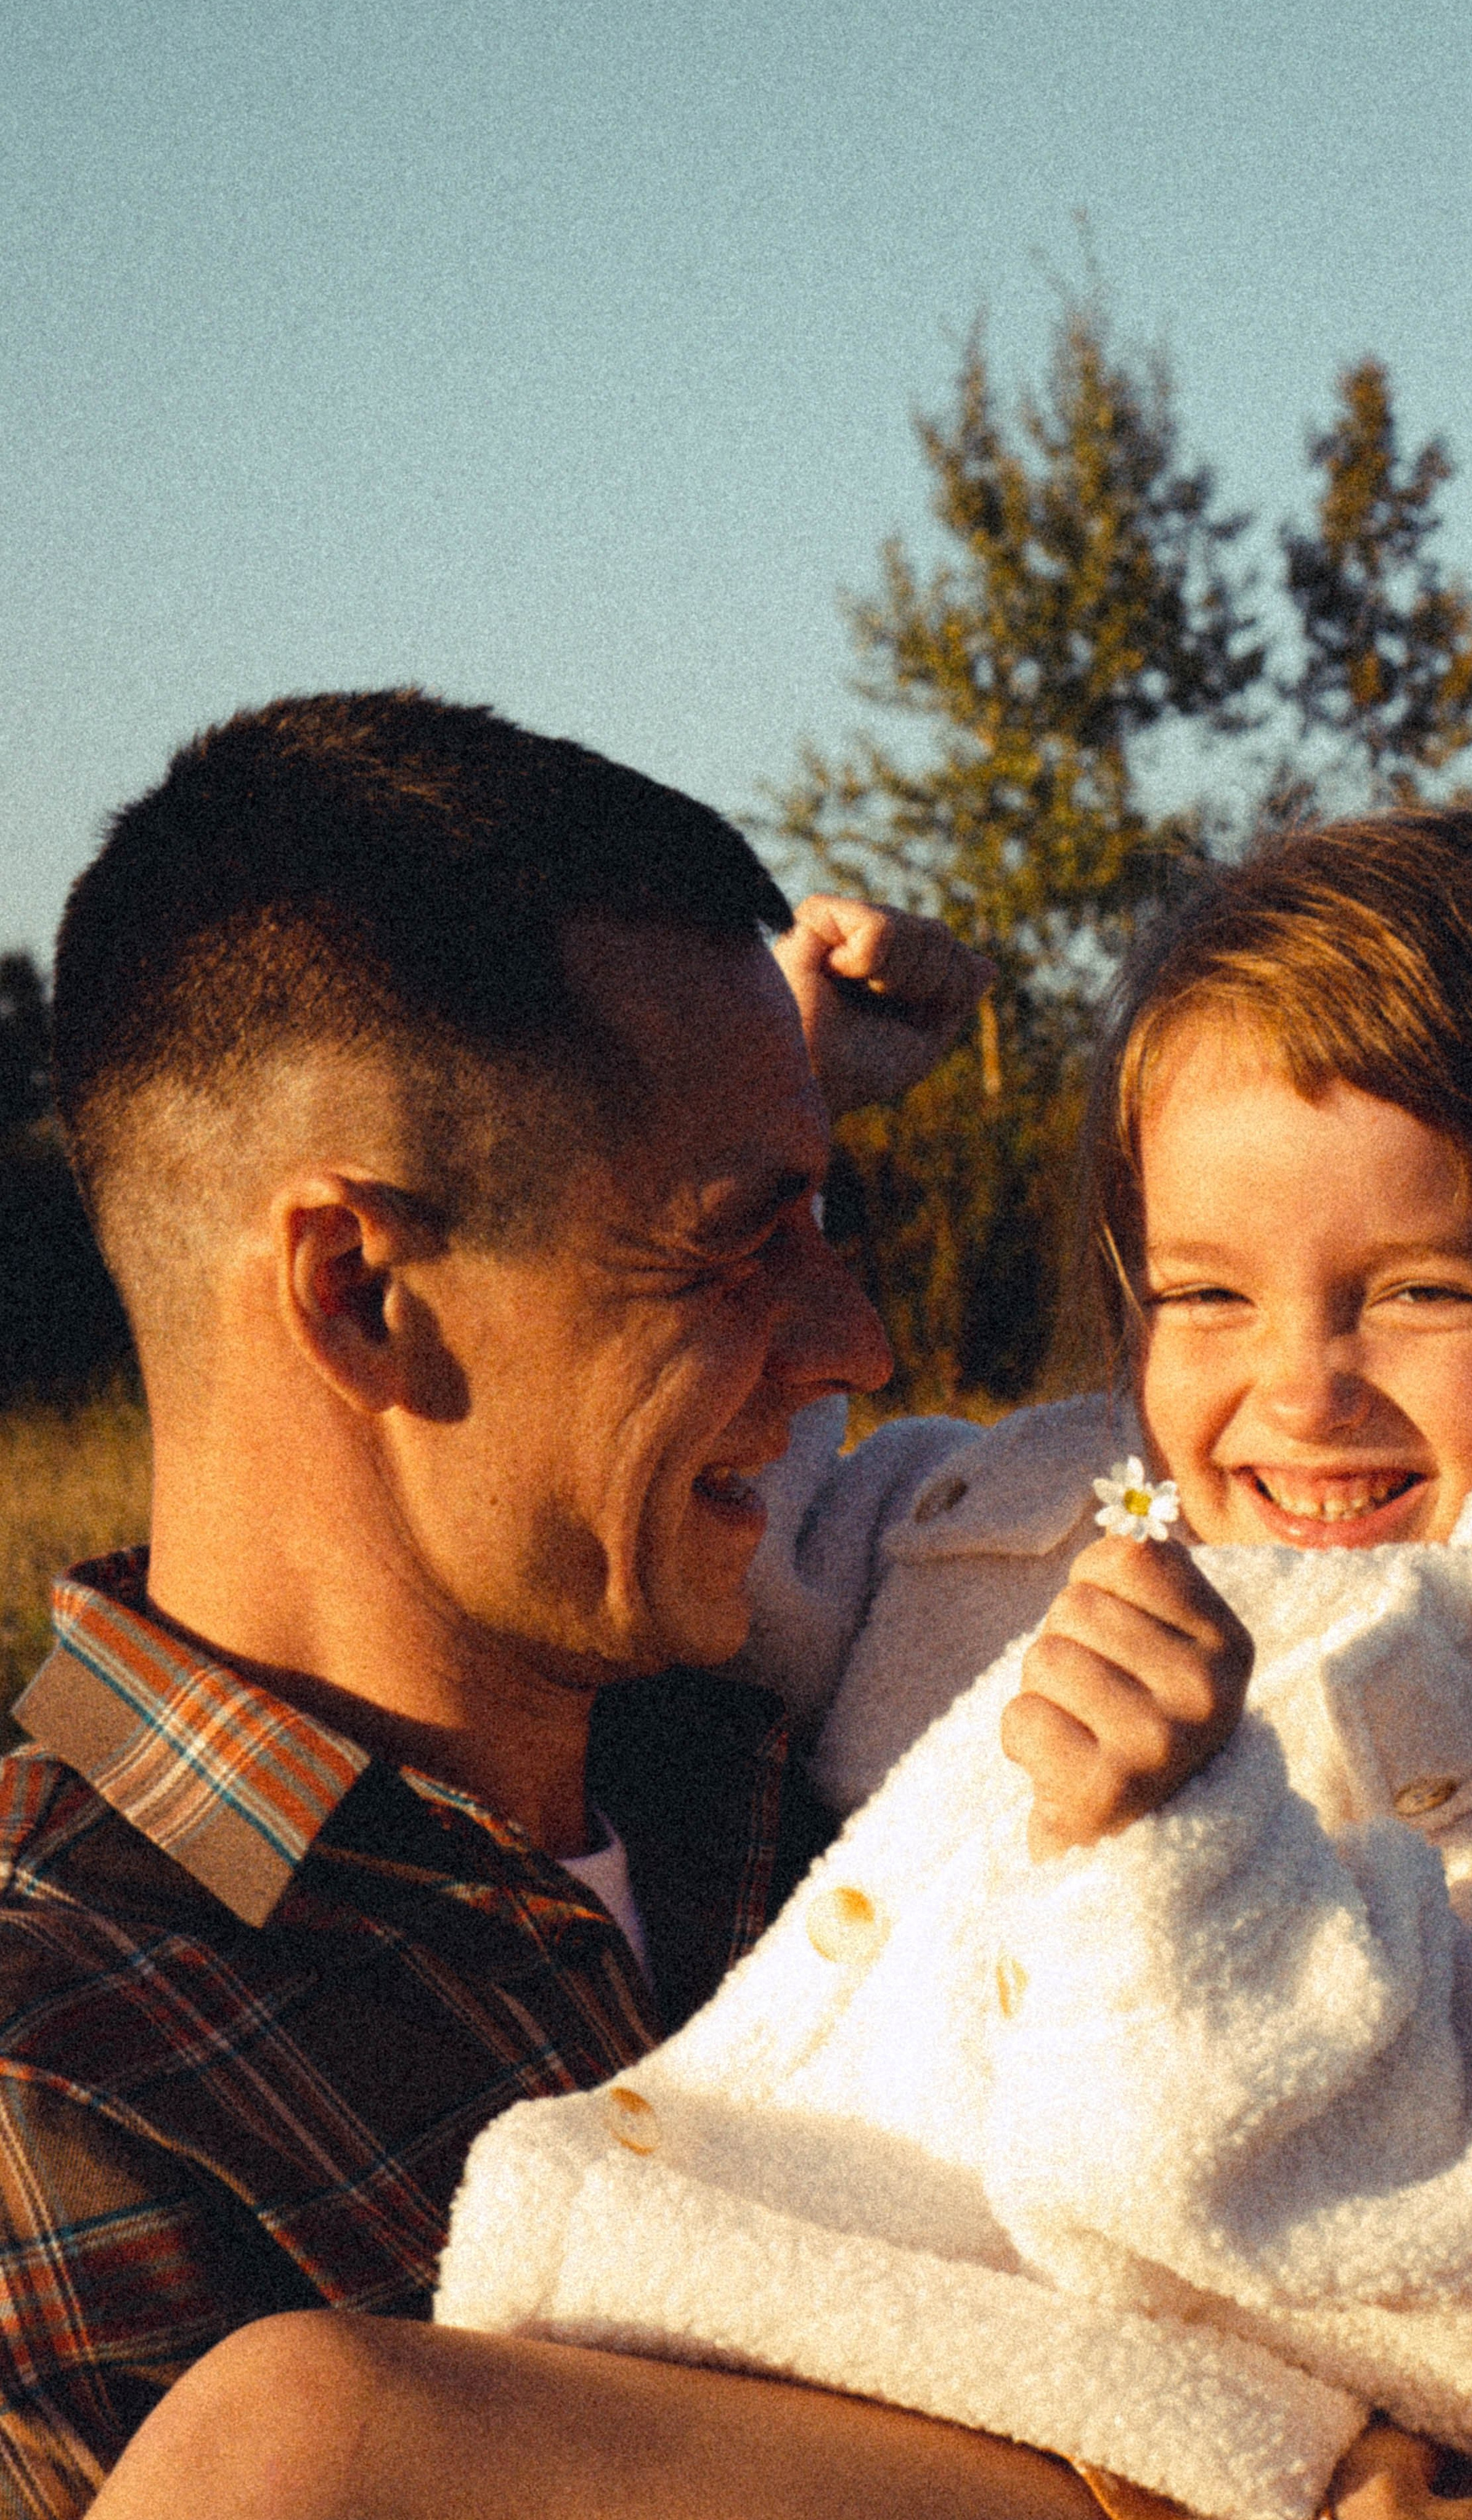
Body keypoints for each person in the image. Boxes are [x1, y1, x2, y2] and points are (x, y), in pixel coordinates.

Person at [77, 807, 1472, 2519]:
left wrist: (1182, 1854)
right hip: (837, 2348)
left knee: (307, 2444)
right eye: (1203, 1294)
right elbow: (753, 1506)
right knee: (299, 2442)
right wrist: (755, 1098)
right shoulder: (1032, 1529)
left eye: (1417, 1293)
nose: (1300, 1390)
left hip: (1252, 2425)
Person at [0, 686, 1108, 2520]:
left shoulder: (821, 1739)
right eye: (739, 1238)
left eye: (821, 1221)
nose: (862, 1341)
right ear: (359, 1293)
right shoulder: (63, 2085)